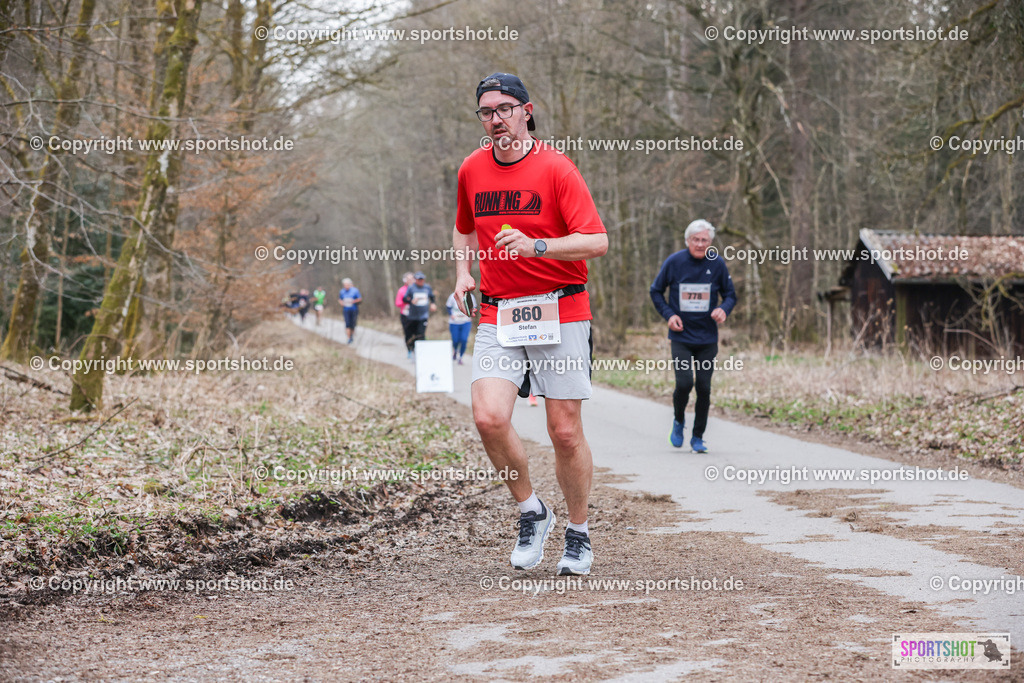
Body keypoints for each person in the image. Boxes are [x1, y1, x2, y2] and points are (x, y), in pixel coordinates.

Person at [452, 72, 608, 576]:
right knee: (488, 417)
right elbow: (462, 226)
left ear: (526, 111)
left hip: (561, 307)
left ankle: (579, 533)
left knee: (564, 432)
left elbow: (596, 240)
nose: (495, 119)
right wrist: (462, 273)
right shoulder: (472, 169)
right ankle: (532, 510)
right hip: (501, 310)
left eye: (504, 109)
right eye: (486, 112)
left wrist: (539, 245)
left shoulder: (557, 169)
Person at [649, 219, 737, 454]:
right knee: (685, 383)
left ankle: (698, 436)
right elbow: (656, 291)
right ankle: (679, 421)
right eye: (696, 240)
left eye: (704, 240)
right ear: (687, 240)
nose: (700, 244)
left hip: (707, 338)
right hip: (681, 337)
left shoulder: (717, 264)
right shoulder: (674, 262)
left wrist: (723, 309)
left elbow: (730, 295)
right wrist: (669, 315)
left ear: (710, 243)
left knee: (704, 388)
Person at [402, 271, 436, 355]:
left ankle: (421, 353)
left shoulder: (427, 288)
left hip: (423, 316)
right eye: (418, 279)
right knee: (411, 335)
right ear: (415, 280)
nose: (420, 281)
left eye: (422, 279)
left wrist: (433, 304)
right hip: (412, 316)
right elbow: (404, 298)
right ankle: (411, 350)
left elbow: (432, 297)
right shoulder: (411, 288)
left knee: (421, 334)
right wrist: (411, 301)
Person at [446, 290, 476, 364]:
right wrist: (451, 315)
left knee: (464, 339)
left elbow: (474, 307)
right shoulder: (453, 296)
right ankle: (455, 350)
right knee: (455, 340)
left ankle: (460, 357)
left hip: (465, 321)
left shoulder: (471, 297)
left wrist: (471, 313)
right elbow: (448, 307)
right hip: (454, 322)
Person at [395, 272, 414, 358]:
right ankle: (409, 349)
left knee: (417, 332)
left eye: (412, 278)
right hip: (405, 314)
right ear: (404, 280)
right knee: (408, 333)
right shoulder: (401, 290)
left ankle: (416, 349)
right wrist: (407, 302)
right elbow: (398, 303)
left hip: (416, 315)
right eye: (408, 279)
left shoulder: (417, 288)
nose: (410, 280)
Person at [338, 278, 362, 344]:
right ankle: (349, 338)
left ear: (350, 284)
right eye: (345, 285)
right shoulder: (342, 291)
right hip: (346, 310)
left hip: (354, 309)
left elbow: (359, 299)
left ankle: (352, 334)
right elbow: (340, 299)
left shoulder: (355, 291)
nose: (346, 286)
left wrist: (353, 301)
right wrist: (341, 303)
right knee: (347, 324)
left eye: (347, 285)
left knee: (353, 323)